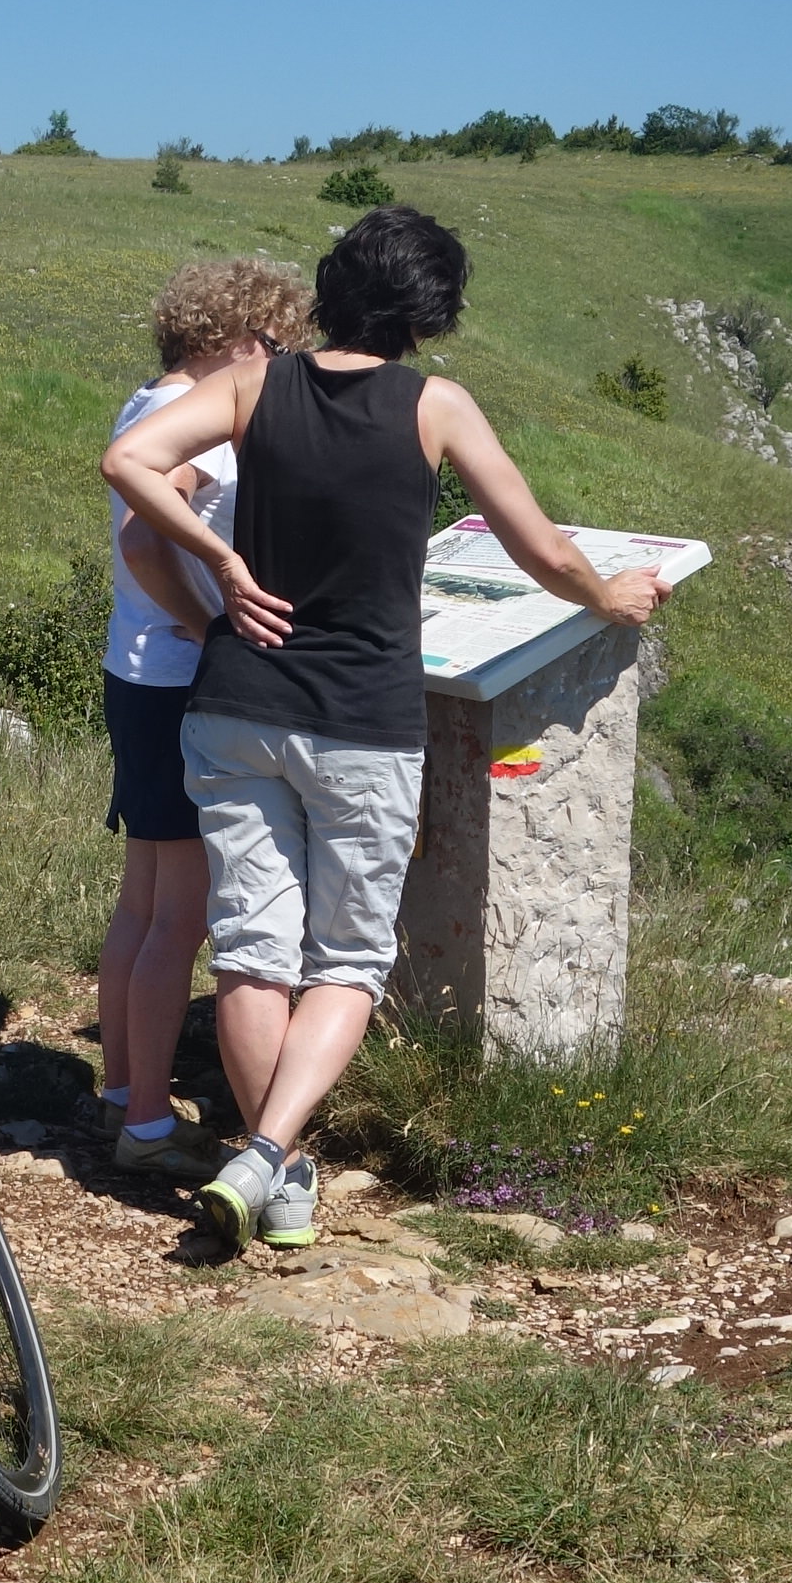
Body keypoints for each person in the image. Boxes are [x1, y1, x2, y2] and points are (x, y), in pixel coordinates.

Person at [102, 204, 673, 1251]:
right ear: (432, 312)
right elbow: (539, 547)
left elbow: (131, 463)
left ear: (329, 289)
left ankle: (267, 1168)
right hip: (362, 716)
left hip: (234, 705)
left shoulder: (249, 386)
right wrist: (610, 597)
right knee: (350, 960)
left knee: (251, 954)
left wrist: (222, 566)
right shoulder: (435, 405)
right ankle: (270, 1150)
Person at [95, 258, 312, 1182]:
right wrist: (210, 616)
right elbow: (146, 539)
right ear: (232, 341)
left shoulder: (144, 403)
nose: (277, 365)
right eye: (271, 346)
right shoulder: (204, 431)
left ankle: (118, 1087)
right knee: (179, 915)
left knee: (144, 897)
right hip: (177, 675)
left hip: (131, 670)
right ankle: (148, 1124)